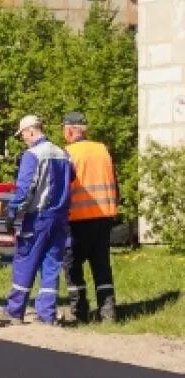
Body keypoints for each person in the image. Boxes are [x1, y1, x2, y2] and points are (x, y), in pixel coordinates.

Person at [4, 115, 74, 325]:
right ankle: (47, 314)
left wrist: (12, 213)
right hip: (60, 218)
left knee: (25, 262)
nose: (23, 139)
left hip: (38, 218)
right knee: (51, 266)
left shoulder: (32, 155)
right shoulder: (63, 154)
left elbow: (24, 190)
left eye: (23, 134)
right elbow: (72, 178)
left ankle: (15, 311)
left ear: (31, 131)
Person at [62, 111, 119, 322]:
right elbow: (115, 181)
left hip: (77, 218)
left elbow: (63, 188)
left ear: (69, 130)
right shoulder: (102, 150)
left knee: (72, 265)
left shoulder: (67, 153)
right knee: (101, 265)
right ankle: (108, 311)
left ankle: (80, 312)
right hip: (104, 216)